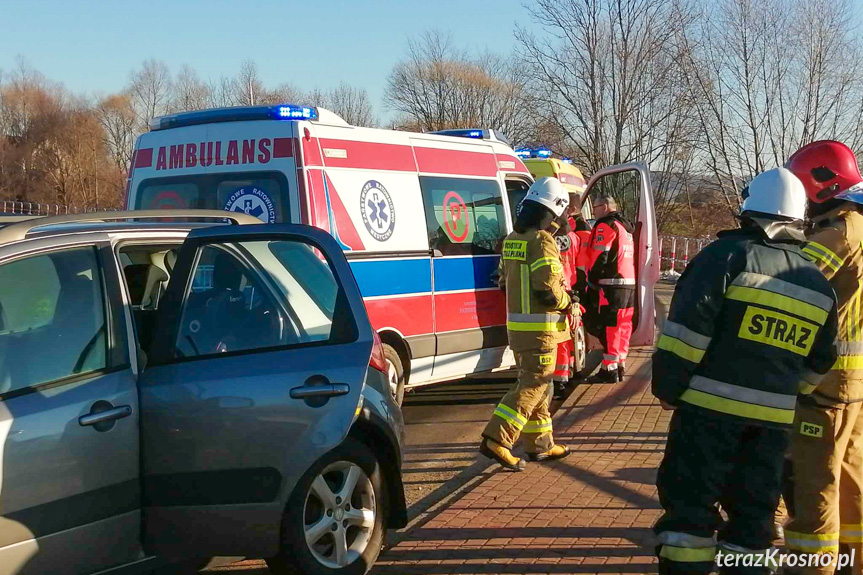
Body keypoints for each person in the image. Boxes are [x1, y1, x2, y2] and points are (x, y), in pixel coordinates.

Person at [651, 167, 838, 575]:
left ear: (749, 211)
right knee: (753, 519)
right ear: (797, 217)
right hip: (771, 430)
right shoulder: (816, 282)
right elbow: (821, 361)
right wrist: (787, 393)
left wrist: (668, 387)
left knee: (690, 513)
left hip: (706, 419)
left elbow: (686, 334)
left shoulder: (725, 257)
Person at [782, 140, 863, 575]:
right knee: (851, 483)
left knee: (815, 486)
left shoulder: (840, 230)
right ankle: (853, 562)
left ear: (819, 184)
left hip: (827, 385)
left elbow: (792, 285)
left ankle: (808, 568)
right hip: (854, 384)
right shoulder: (860, 223)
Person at [480, 177, 573, 471]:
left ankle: (540, 444)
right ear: (552, 211)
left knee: (540, 387)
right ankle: (498, 439)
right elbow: (547, 290)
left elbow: (502, 283)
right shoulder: (542, 241)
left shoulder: (512, 240)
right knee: (534, 385)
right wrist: (568, 301)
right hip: (541, 331)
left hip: (518, 329)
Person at [579, 194, 636, 383]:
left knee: (610, 326)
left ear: (604, 206)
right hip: (628, 283)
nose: (593, 213)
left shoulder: (606, 225)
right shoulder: (625, 227)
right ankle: (619, 364)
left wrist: (592, 282)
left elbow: (599, 254)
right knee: (623, 325)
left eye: (594, 208)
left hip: (610, 284)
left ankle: (609, 370)